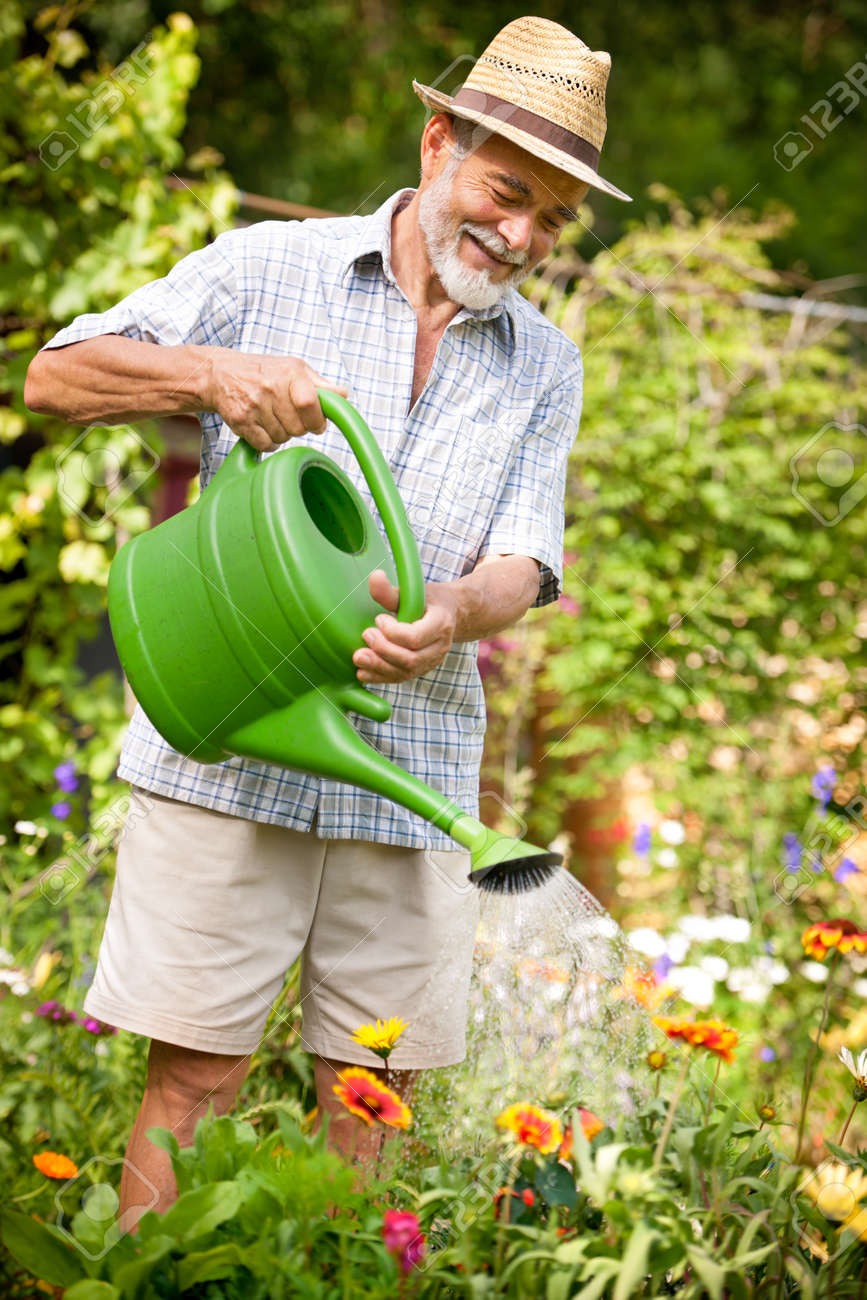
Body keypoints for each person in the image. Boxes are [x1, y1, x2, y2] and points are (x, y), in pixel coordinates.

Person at [24, 15, 630, 1224]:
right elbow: (54, 374)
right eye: (507, 193)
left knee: (371, 1097)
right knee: (194, 1074)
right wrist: (209, 376)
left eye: (551, 220)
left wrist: (451, 610)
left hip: (410, 756)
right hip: (232, 739)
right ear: (437, 143)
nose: (518, 236)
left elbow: (526, 558)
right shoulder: (268, 270)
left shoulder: (545, 364)